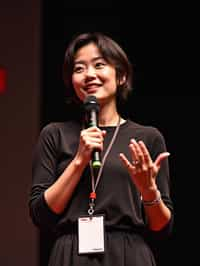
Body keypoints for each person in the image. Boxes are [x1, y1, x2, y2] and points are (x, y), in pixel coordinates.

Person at [29, 32, 174, 266]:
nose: (89, 75)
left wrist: (148, 190)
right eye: (79, 69)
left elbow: (161, 228)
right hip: (71, 253)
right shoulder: (54, 134)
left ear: (121, 76)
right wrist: (79, 160)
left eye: (99, 65)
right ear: (71, 82)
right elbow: (41, 215)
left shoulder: (147, 137)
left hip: (129, 253)